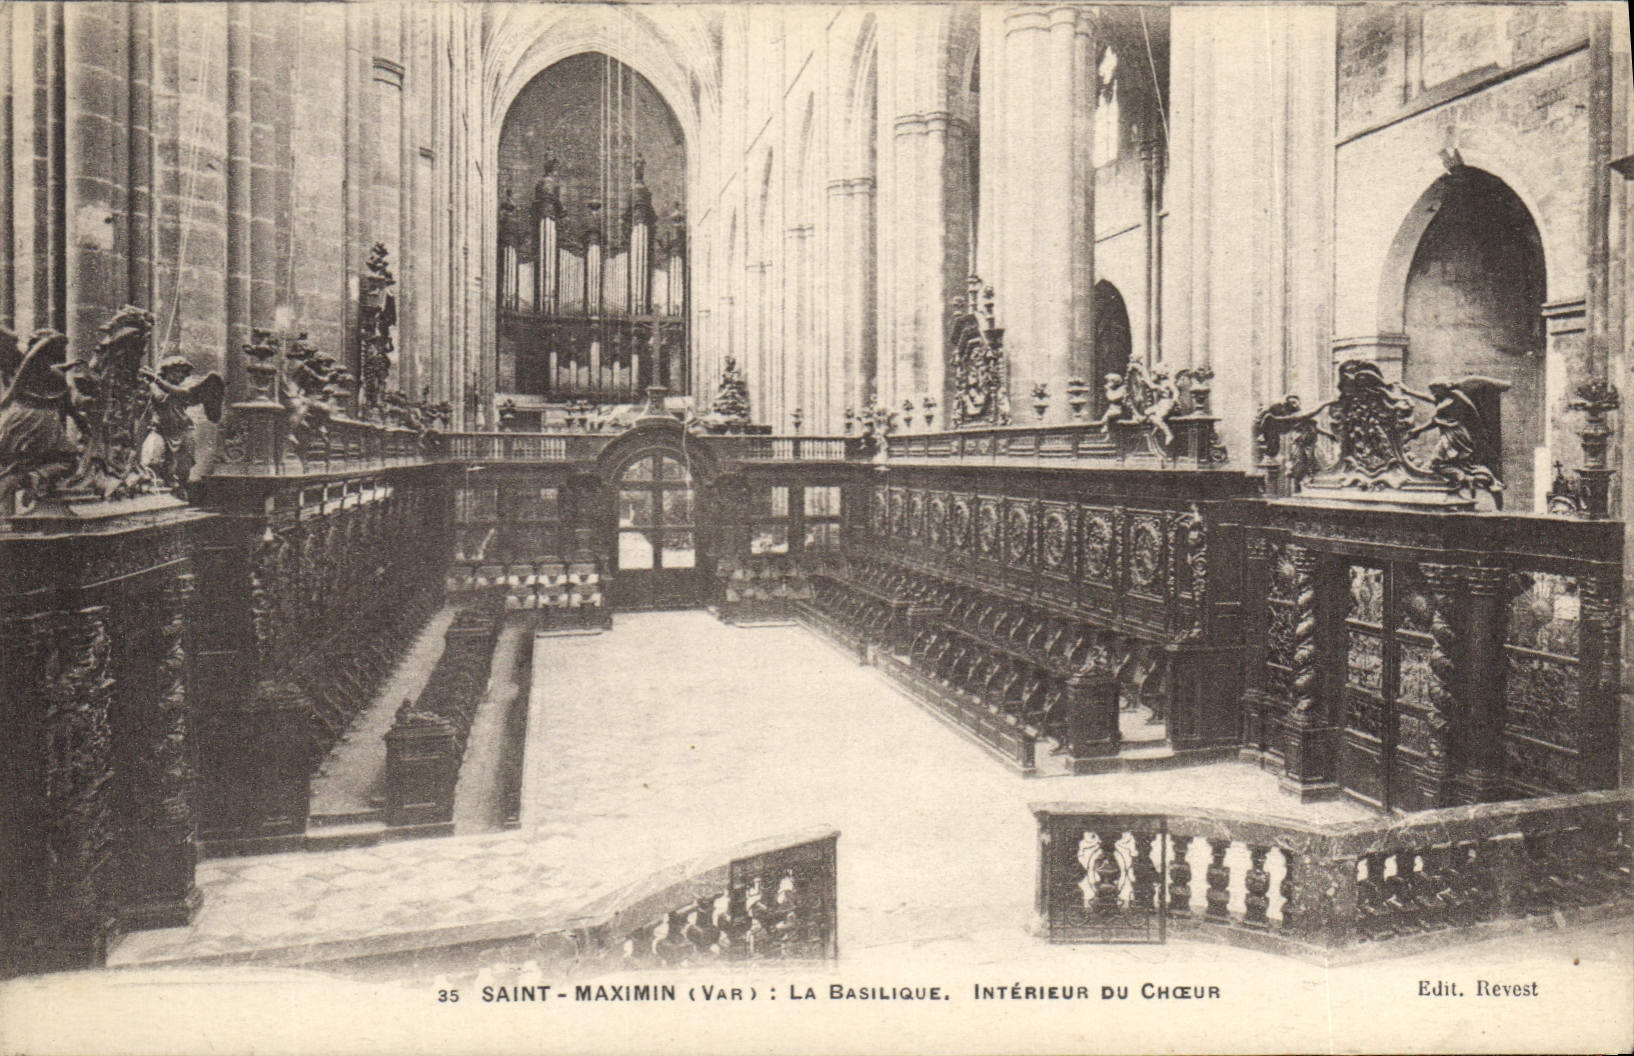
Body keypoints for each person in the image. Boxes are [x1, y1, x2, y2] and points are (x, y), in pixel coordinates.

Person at [138, 354, 224, 498]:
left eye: (182, 372)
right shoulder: (154, 386)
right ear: (167, 371)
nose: (179, 375)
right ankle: (152, 489)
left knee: (184, 466)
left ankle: (179, 489)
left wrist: (155, 379)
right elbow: (160, 398)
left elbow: (180, 393)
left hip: (183, 431)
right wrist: (152, 380)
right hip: (161, 430)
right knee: (152, 459)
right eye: (175, 371)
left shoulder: (185, 389)